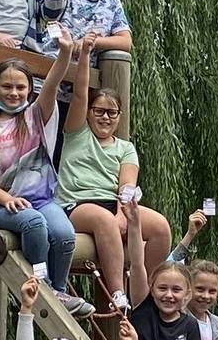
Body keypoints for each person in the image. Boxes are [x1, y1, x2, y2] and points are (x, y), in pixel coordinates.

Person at [0, 40, 87, 309]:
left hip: (42, 199)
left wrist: (64, 52)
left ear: (30, 90)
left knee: (64, 234)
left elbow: (53, 81)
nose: (14, 92)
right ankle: (42, 285)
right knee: (34, 224)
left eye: (21, 87)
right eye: (7, 86)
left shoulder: (35, 116)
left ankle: (59, 291)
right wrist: (4, 198)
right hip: (1, 205)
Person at [55, 66, 172, 296]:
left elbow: (127, 186)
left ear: (120, 116)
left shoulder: (125, 148)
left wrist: (122, 214)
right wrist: (86, 54)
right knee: (104, 220)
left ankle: (143, 287)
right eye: (99, 111)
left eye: (112, 112)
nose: (105, 117)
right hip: (78, 204)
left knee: (160, 227)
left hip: (113, 204)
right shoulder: (77, 133)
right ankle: (117, 293)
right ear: (88, 112)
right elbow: (79, 93)